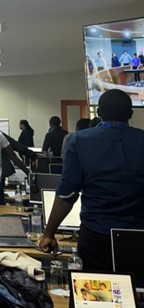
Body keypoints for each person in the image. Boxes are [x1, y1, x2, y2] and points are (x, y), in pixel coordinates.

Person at [40, 89, 144, 271]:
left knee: (96, 293)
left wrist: (49, 233)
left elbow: (67, 194)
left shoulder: (79, 141)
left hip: (97, 234)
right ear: (130, 114)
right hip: (137, 235)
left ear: (98, 113)